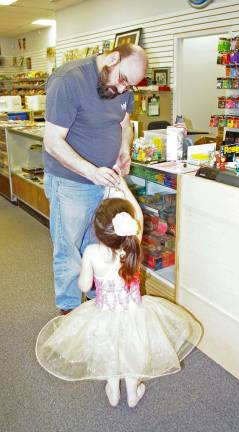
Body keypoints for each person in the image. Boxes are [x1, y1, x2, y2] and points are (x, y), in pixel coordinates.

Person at [36, 178, 202, 408]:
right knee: (133, 351)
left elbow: (84, 287)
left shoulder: (92, 252)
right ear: (130, 224)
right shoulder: (133, 244)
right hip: (135, 313)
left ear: (97, 229)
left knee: (110, 353)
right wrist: (122, 185)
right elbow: (139, 216)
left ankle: (113, 391)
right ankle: (133, 394)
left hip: (104, 314)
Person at [43, 43, 148, 314]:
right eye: (123, 80)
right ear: (112, 58)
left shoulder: (122, 88)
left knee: (99, 243)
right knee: (69, 247)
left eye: (130, 86)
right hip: (71, 183)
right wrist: (92, 171)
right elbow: (53, 142)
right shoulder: (68, 80)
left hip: (106, 182)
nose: (124, 90)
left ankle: (96, 301)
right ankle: (67, 312)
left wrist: (124, 149)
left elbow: (125, 125)